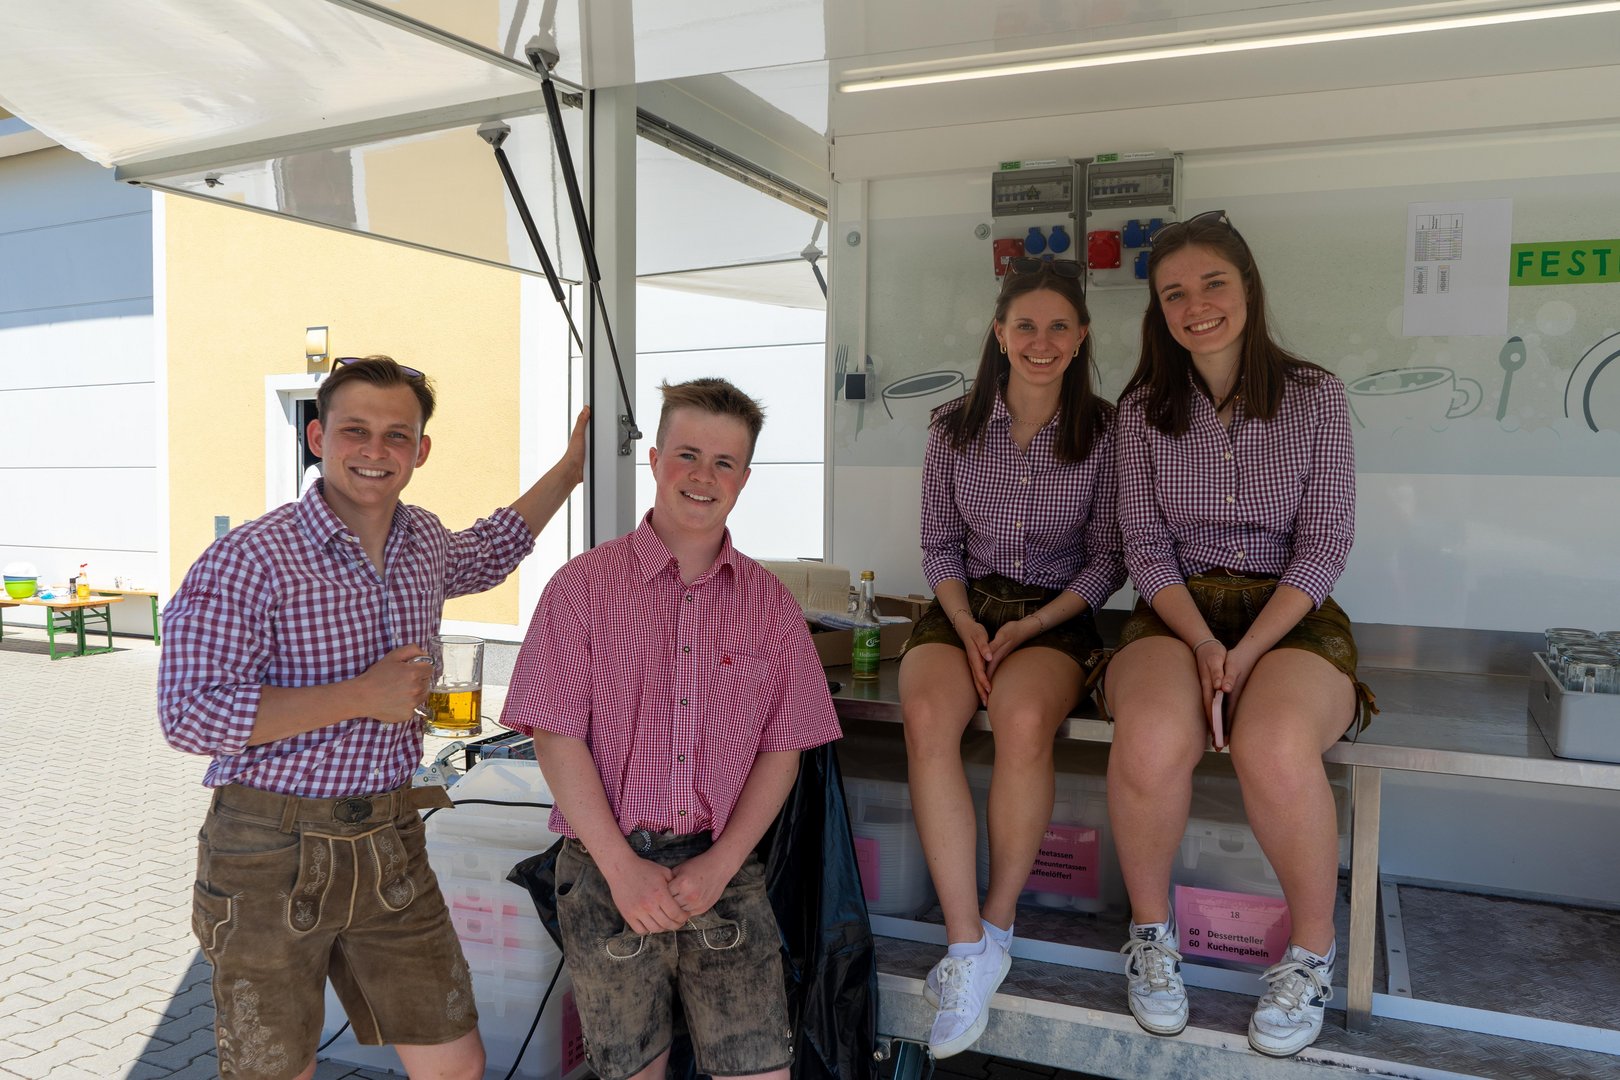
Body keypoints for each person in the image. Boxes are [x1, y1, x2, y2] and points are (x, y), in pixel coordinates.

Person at [159, 355, 589, 1080]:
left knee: (456, 1063)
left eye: (397, 435)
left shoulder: (422, 540)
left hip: (391, 840)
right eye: (355, 430)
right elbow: (189, 715)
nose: (375, 450)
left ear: (421, 451)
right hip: (269, 850)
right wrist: (361, 694)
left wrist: (572, 470)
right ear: (318, 437)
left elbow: (492, 548)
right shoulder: (251, 557)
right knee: (275, 1071)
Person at [500, 377, 842, 1080]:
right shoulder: (582, 588)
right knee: (634, 1073)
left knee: (760, 1072)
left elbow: (783, 750)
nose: (702, 476)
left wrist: (723, 863)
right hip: (605, 869)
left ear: (744, 479)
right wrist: (621, 868)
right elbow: (555, 735)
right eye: (687, 454)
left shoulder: (770, 606)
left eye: (724, 463)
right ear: (655, 460)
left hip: (723, 868)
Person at [1104, 211, 1376, 1057]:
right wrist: (1202, 645)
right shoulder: (1141, 410)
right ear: (1158, 310)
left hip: (1290, 614)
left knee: (1274, 745)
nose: (1196, 306)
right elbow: (1144, 546)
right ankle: (1152, 941)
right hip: (1175, 609)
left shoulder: (1316, 395)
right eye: (1174, 293)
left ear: (1248, 288)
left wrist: (1247, 652)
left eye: (1213, 283)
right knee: (1151, 734)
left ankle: (1310, 955)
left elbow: (1325, 543)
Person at [899, 260, 1125, 1058]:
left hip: (1057, 614)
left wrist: (1030, 629)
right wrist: (965, 624)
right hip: (966, 607)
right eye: (1024, 325)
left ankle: (998, 924)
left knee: (1023, 718)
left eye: (1059, 326)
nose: (1041, 341)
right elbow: (938, 544)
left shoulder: (1108, 432)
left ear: (1081, 337)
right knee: (927, 714)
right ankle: (966, 944)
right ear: (999, 334)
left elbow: (1108, 559)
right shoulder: (950, 427)